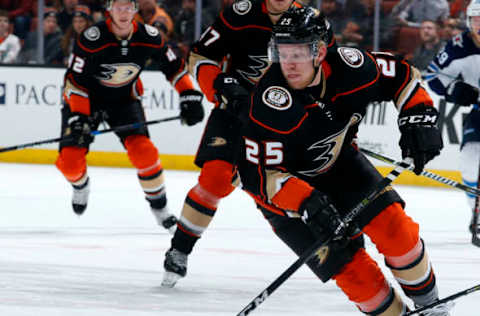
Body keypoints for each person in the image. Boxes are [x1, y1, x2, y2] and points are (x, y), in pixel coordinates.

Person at [233, 7, 450, 315]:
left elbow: (401, 75)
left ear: (320, 51)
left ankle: (433, 308)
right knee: (360, 280)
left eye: (298, 53)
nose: (288, 64)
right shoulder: (268, 103)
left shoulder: (352, 69)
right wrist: (306, 201)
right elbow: (253, 174)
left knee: (396, 233)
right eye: (282, 53)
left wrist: (420, 116)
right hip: (285, 195)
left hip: (340, 167)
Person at [162, 0, 337, 288]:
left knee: (301, 186)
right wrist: (221, 84)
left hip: (284, 118)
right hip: (235, 111)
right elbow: (200, 56)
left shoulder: (311, 20)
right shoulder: (240, 14)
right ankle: (180, 248)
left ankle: (340, 250)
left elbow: (327, 68)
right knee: (215, 180)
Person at [55, 0, 204, 234]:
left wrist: (189, 94)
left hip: (124, 101)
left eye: (128, 7)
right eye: (118, 7)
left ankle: (160, 210)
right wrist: (79, 117)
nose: (123, 12)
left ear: (135, 9)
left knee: (144, 152)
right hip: (85, 101)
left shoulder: (150, 36)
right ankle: (80, 186)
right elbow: (75, 81)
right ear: (109, 10)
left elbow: (173, 66)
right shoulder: (91, 38)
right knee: (70, 162)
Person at [426, 0, 480, 236]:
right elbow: (432, 75)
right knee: (469, 160)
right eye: (476, 19)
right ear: (468, 21)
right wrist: (454, 90)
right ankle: (477, 214)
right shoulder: (458, 46)